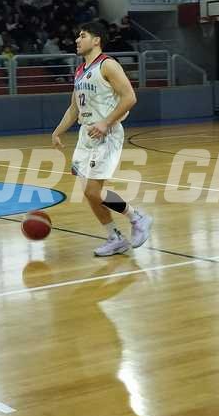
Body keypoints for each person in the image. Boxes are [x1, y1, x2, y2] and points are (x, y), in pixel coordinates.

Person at [50, 21, 152, 257]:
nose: (77, 40)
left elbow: (130, 97)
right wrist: (57, 131)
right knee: (89, 193)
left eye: (82, 35)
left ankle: (138, 218)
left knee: (94, 191)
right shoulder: (80, 71)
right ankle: (115, 237)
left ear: (96, 40)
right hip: (86, 135)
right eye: (78, 36)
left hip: (106, 133)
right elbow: (74, 108)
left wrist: (106, 122)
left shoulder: (108, 65)